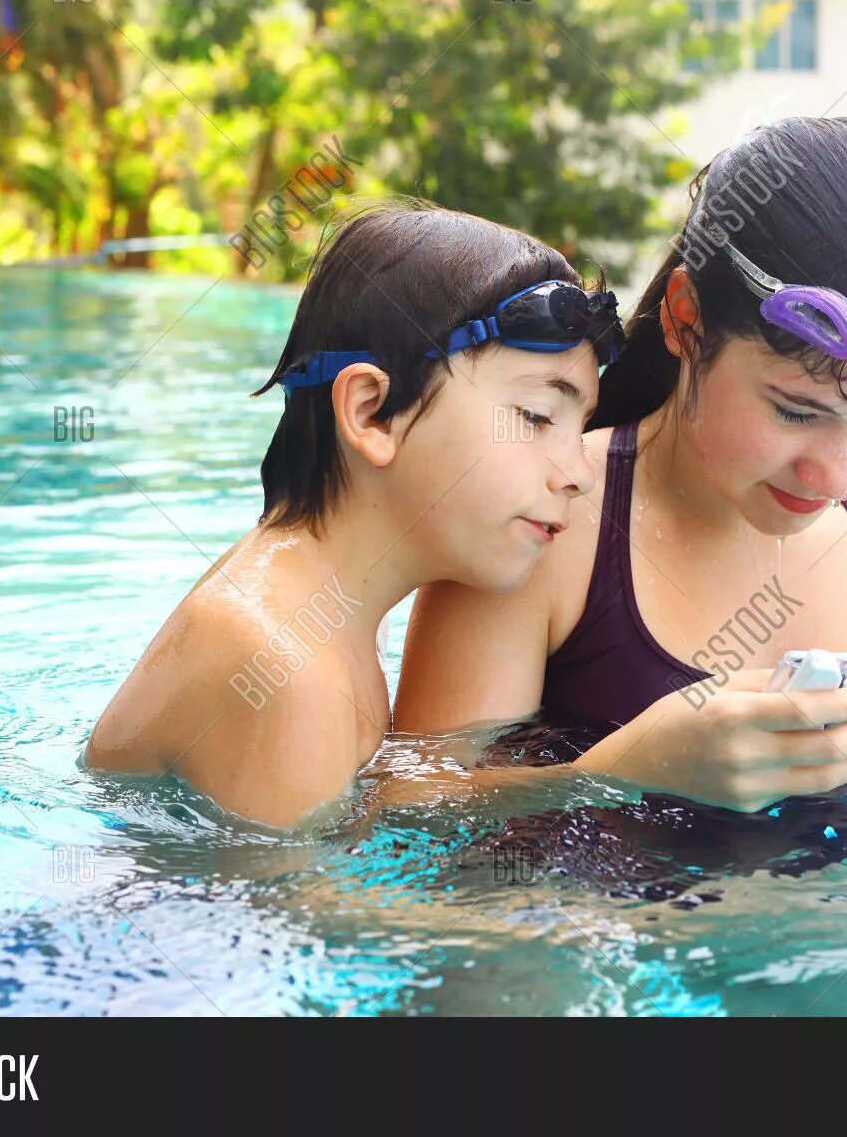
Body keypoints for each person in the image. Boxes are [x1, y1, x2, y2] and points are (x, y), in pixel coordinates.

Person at [393, 117, 847, 818]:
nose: (835, 476)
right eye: (796, 412)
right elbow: (406, 813)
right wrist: (626, 771)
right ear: (684, 319)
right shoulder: (545, 518)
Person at [84, 202, 622, 828]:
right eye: (535, 417)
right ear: (371, 413)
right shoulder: (288, 672)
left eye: (581, 427)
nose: (580, 472)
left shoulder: (310, 611)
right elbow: (309, 922)